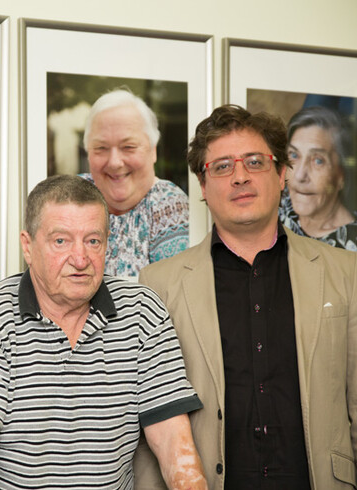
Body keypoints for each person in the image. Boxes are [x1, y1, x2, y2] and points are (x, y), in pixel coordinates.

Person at [0, 175, 206, 489]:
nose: (80, 259)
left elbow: (174, 445)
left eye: (93, 241)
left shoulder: (143, 313)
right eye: (61, 240)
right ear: (28, 246)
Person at [137, 105, 357, 489]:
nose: (240, 176)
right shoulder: (159, 285)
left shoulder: (345, 274)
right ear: (203, 188)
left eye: (254, 162)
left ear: (281, 174)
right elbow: (150, 425)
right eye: (221, 166)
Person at [82, 89, 189, 278]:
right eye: (101, 148)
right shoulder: (72, 195)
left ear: (153, 151)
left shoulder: (169, 205)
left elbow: (169, 295)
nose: (115, 162)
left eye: (128, 147)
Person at [280, 105, 357, 250]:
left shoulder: (351, 246)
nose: (300, 175)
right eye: (294, 155)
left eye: (318, 161)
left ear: (341, 175)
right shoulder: (278, 207)